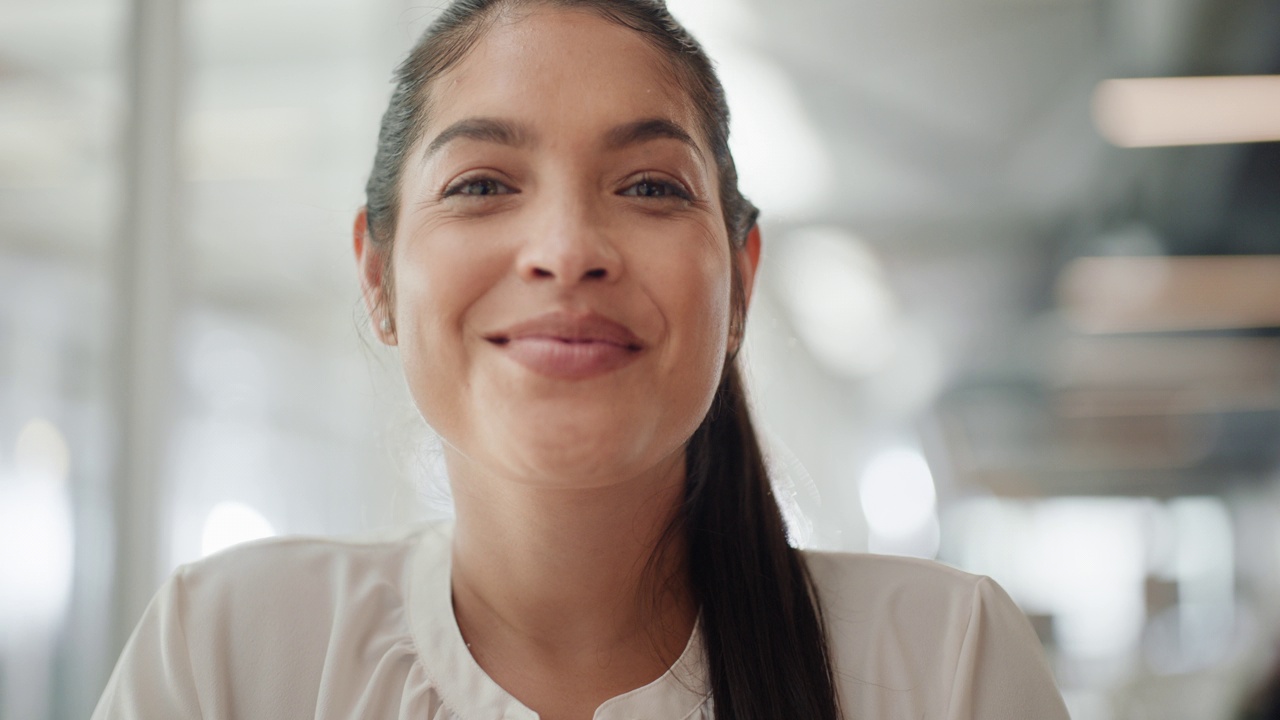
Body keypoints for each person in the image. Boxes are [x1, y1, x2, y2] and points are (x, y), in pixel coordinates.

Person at [93, 1, 1071, 718]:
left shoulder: (944, 665)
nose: (566, 248)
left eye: (648, 186)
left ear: (739, 277)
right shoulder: (229, 653)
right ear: (379, 277)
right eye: (481, 183)